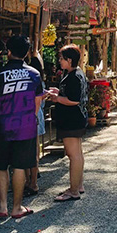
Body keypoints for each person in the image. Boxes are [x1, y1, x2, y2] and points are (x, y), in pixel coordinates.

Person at [0, 35, 43, 219]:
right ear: (26, 54)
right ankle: (17, 208)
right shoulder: (34, 74)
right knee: (19, 166)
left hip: (3, 126)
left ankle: (2, 206)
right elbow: (37, 102)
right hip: (26, 127)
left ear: (8, 52)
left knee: (1, 166)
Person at [47, 44, 89, 202]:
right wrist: (58, 93)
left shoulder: (74, 76)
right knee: (77, 153)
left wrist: (57, 98)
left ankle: (73, 190)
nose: (60, 61)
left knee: (73, 155)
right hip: (75, 119)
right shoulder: (76, 74)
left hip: (72, 120)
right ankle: (78, 185)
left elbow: (73, 100)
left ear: (69, 60)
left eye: (62, 58)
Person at [25, 50, 46, 197]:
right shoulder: (39, 79)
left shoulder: (30, 78)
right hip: (36, 115)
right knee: (34, 147)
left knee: (27, 149)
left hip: (29, 115)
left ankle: (30, 180)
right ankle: (33, 178)